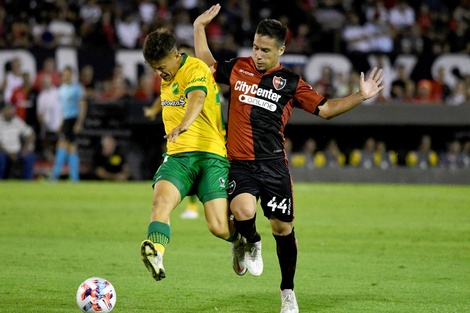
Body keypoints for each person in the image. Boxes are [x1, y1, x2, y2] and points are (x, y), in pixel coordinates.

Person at [194, 5, 385, 313]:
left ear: (281, 50)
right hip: (240, 162)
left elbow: (326, 110)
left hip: (273, 166)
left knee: (283, 230)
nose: (258, 54)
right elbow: (207, 66)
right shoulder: (240, 67)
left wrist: (360, 95)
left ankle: (287, 292)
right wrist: (198, 28)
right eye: (255, 47)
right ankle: (251, 243)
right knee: (241, 209)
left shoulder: (291, 83)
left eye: (265, 50)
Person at [139, 28, 240, 282]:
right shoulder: (166, 76)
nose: (159, 73)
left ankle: (240, 240)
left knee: (218, 227)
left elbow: (196, 98)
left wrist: (184, 124)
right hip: (178, 156)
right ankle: (157, 254)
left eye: (161, 66)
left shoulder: (195, 68)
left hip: (211, 155)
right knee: (160, 202)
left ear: (175, 55)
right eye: (154, 68)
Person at [50, 66, 87, 181]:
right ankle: (74, 178)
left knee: (63, 146)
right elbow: (62, 108)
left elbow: (83, 106)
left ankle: (55, 176)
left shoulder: (78, 88)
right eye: (64, 74)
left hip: (73, 119)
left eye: (67, 74)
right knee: (71, 148)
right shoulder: (61, 89)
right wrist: (60, 123)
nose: (65, 76)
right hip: (66, 120)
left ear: (72, 75)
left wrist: (79, 123)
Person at [0, 99, 35, 179]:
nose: (11, 112)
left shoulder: (16, 121)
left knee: (29, 156)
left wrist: (26, 148)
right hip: (3, 151)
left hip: (18, 151)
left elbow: (30, 133)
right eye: (8, 110)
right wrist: (9, 154)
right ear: (2, 111)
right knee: (1, 158)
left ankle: (27, 183)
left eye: (11, 110)